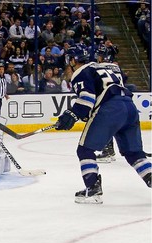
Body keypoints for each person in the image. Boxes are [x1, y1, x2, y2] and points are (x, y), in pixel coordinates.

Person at [55, 44, 151, 204]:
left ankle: (93, 189)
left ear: (72, 60)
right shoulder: (105, 67)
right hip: (129, 107)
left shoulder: (80, 72)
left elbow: (87, 99)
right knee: (134, 153)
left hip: (110, 109)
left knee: (85, 150)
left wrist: (72, 114)